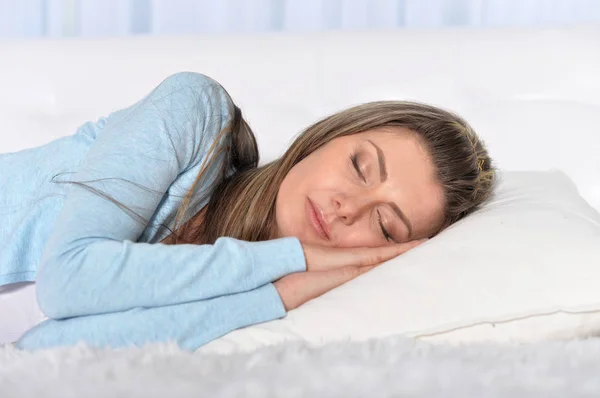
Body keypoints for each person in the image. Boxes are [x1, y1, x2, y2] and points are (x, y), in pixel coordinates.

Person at [0, 72, 494, 351]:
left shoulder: (264, 306)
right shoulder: (196, 115)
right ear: (325, 138)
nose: (348, 207)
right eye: (359, 166)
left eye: (384, 225)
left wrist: (278, 295)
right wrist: (289, 258)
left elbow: (41, 352)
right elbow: (68, 282)